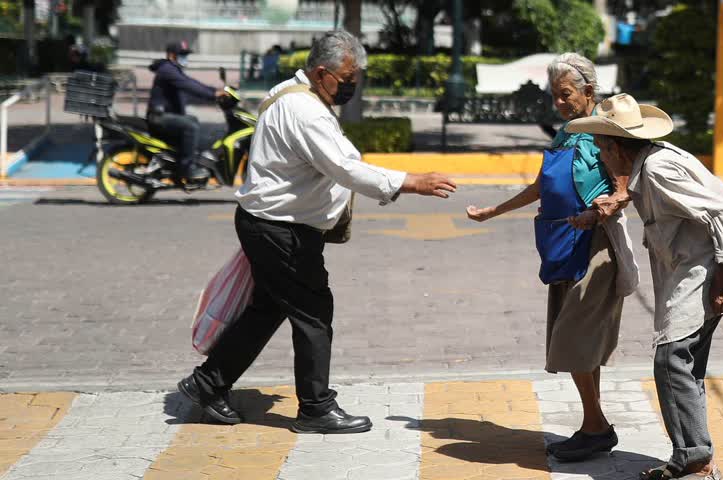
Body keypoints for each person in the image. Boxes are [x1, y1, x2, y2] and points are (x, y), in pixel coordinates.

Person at [177, 30, 457, 434]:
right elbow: (344, 167)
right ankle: (315, 408)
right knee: (313, 313)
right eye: (347, 80)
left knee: (269, 308)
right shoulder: (304, 111)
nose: (351, 87)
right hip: (281, 230)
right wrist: (412, 181)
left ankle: (207, 383)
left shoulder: (293, 93)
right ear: (322, 72)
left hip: (271, 224)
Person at [566, 93, 723, 480]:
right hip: (697, 268)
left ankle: (696, 461)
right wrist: (611, 203)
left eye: (603, 149)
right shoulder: (650, 161)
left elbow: (720, 212)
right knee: (685, 367)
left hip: (708, 269)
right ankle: (694, 456)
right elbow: (641, 190)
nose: (601, 158)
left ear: (618, 148)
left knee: (672, 361)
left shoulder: (657, 169)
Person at [466, 53, 638, 461]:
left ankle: (596, 427)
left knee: (573, 337)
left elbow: (624, 187)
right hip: (562, 246)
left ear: (589, 92)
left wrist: (598, 211)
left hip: (594, 248)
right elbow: (542, 185)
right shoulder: (566, 133)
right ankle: (593, 426)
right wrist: (496, 210)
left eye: (566, 95)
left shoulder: (605, 133)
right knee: (576, 340)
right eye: (555, 96)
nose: (558, 103)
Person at [146, 41, 226, 181]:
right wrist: (213, 95)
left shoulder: (172, 69)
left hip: (164, 115)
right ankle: (186, 168)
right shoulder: (167, 70)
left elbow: (192, 83)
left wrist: (214, 92)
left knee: (193, 120)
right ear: (172, 56)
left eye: (186, 55)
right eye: (182, 55)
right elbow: (189, 85)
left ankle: (183, 158)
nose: (185, 58)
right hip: (159, 117)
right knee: (191, 126)